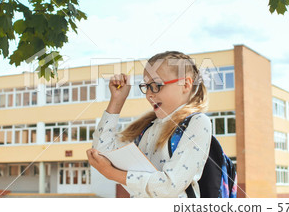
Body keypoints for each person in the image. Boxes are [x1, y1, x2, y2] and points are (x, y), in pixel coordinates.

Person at [86, 51, 211, 197]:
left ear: (186, 84)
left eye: (156, 85)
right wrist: (117, 100)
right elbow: (101, 152)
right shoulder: (148, 128)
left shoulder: (197, 122)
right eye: (146, 86)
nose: (148, 94)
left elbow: (169, 187)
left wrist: (113, 174)